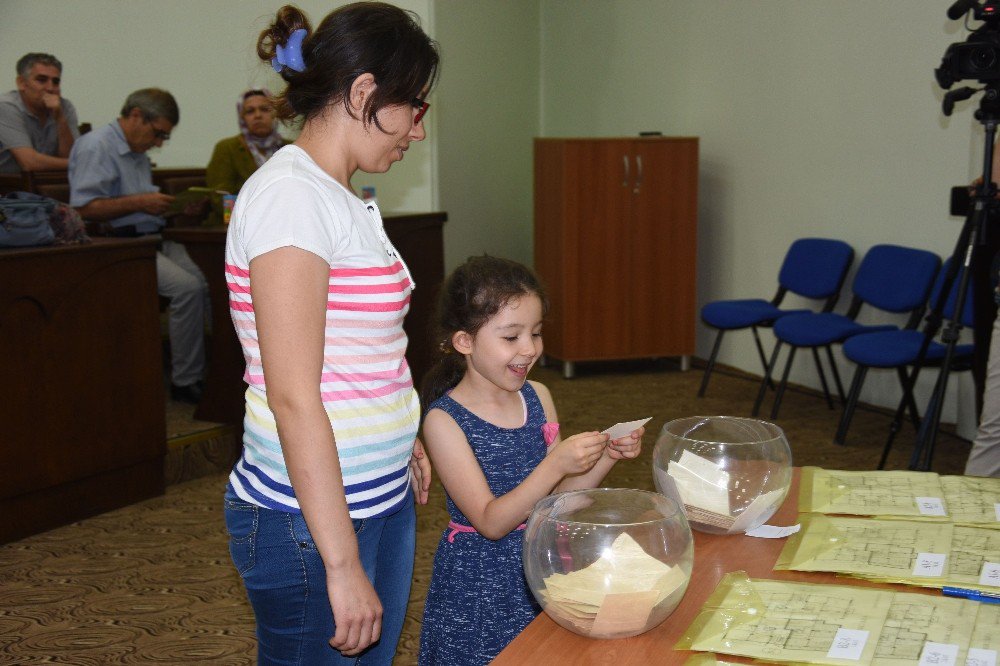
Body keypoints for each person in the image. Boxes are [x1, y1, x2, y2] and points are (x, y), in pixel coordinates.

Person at [222, 3, 438, 664]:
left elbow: (359, 352)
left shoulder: (343, 197)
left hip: (373, 498)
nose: (418, 133)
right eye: (417, 109)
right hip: (309, 523)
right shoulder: (293, 197)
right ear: (366, 93)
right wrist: (341, 566)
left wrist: (399, 433)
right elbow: (292, 393)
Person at [417, 255, 645, 665]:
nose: (530, 349)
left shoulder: (537, 397)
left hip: (544, 565)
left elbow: (560, 503)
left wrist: (605, 456)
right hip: (482, 587)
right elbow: (490, 521)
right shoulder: (444, 420)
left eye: (536, 333)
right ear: (464, 342)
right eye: (511, 337)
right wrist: (556, 464)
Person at [68, 88, 208, 404]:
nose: (158, 143)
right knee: (186, 288)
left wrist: (174, 208)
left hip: (152, 238)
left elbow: (141, 205)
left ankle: (210, 372)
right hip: (116, 246)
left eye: (164, 137)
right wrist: (142, 202)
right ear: (135, 116)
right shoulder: (96, 147)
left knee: (208, 278)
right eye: (158, 133)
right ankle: (185, 382)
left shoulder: (137, 151)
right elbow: (84, 209)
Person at [204, 89, 286, 225]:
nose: (258, 115)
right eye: (250, 111)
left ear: (275, 114)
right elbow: (220, 198)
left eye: (265, 109)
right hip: (236, 227)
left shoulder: (289, 147)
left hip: (283, 223)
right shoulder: (227, 148)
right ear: (242, 118)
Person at [0, 52, 78, 173]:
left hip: (49, 185)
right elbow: (29, 163)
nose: (50, 88)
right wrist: (79, 163)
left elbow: (70, 156)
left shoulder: (65, 107)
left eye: (56, 82)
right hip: (8, 187)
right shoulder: (6, 106)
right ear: (22, 83)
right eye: (42, 80)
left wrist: (60, 118)